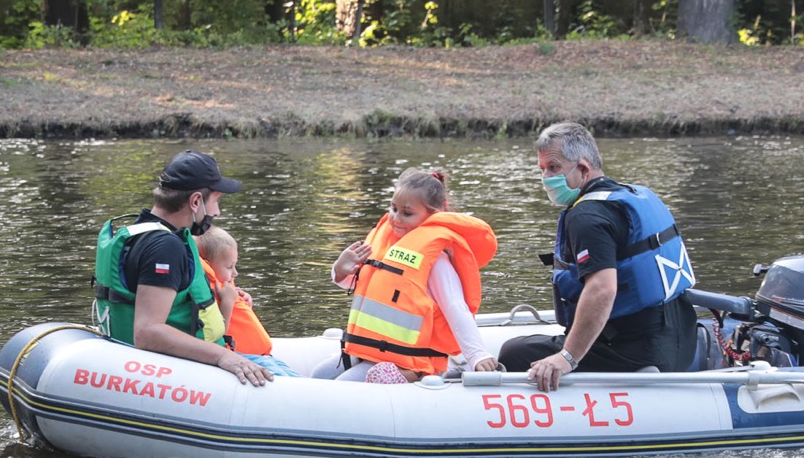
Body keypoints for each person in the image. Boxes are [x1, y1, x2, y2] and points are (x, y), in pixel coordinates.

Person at [498, 122, 697, 391]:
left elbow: (602, 289)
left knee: (513, 352)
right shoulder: (634, 195)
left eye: (554, 168)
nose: (546, 177)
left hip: (634, 351)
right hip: (680, 343)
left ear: (582, 167)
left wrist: (567, 358)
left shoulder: (587, 216)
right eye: (542, 169)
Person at [92, 150, 272, 386]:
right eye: (215, 201)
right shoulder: (164, 247)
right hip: (186, 375)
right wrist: (223, 355)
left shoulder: (141, 231)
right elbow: (147, 332)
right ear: (196, 201)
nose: (217, 212)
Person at [314, 167, 500, 383]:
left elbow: (455, 307)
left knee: (342, 386)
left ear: (436, 215)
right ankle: (389, 375)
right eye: (393, 209)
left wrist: (477, 355)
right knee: (319, 375)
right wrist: (340, 270)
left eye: (407, 213)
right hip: (369, 350)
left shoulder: (436, 260)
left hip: (412, 359)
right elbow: (356, 284)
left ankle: (409, 376)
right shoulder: (383, 245)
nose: (396, 219)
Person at [195, 225, 299, 377]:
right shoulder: (206, 292)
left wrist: (242, 301)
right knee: (296, 386)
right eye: (230, 267)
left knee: (296, 378)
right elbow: (216, 333)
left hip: (263, 356)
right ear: (208, 265)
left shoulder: (224, 286)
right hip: (240, 358)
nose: (235, 273)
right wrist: (228, 302)